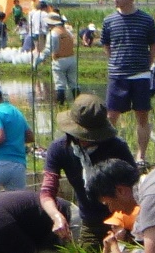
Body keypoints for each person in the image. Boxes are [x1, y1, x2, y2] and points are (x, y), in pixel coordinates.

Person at [40, 96, 135, 241]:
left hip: (124, 220)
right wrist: (57, 216)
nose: (86, 140)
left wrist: (122, 223)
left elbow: (133, 189)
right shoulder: (59, 149)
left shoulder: (117, 147)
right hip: (90, 222)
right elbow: (47, 191)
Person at [99, 0, 155, 159]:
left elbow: (154, 46)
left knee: (142, 117)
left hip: (140, 75)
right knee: (111, 116)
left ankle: (141, 155)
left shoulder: (146, 20)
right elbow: (106, 45)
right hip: (117, 74)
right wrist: (116, 62)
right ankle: (107, 154)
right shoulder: (109, 20)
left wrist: (146, 65)